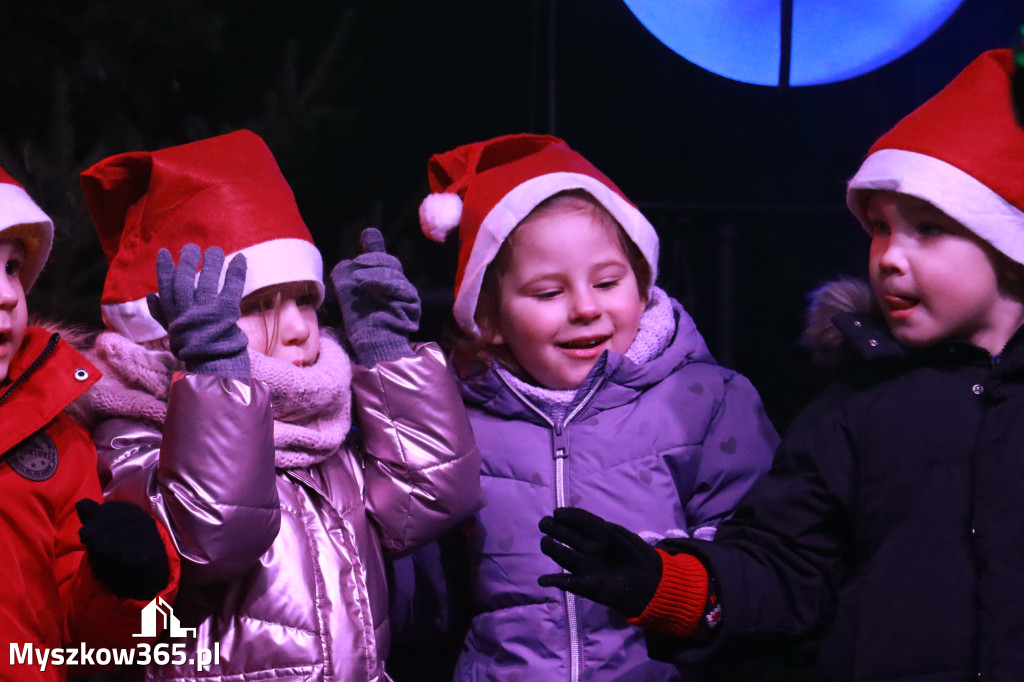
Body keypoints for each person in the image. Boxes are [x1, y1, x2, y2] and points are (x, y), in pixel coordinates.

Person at [538, 49, 1024, 681]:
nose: (889, 258)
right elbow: (785, 564)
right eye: (879, 227)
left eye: (928, 229)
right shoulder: (857, 407)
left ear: (1009, 244)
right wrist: (667, 585)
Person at [77, 129, 481, 681]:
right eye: (260, 305)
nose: (297, 329)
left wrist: (388, 358)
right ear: (172, 324)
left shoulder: (324, 429)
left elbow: (426, 503)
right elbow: (211, 541)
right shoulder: (135, 434)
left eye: (306, 301)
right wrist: (219, 381)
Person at [406, 133, 778, 681]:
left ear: (643, 284)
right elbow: (424, 594)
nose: (585, 308)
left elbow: (758, 569)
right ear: (487, 318)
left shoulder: (707, 402)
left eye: (607, 282)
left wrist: (669, 583)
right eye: (547, 293)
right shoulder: (459, 419)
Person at [0, 167, 179, 682]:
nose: (9, 295)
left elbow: (90, 648)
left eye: (12, 267)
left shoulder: (59, 438)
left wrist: (123, 587)